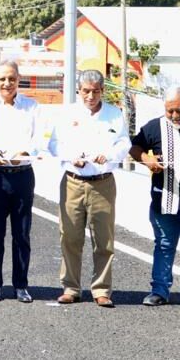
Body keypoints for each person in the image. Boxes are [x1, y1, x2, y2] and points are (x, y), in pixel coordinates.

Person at [48, 69, 130, 307]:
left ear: (102, 91)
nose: (91, 96)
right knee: (70, 237)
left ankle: (102, 289)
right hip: (73, 181)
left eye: (95, 91)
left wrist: (110, 155)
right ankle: (70, 287)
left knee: (103, 239)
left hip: (103, 183)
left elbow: (124, 142)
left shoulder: (114, 114)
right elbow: (54, 144)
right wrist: (71, 157)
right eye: (86, 91)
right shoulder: (67, 113)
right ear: (78, 90)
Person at [0, 60, 44, 303]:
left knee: (22, 234)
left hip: (22, 176)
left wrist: (25, 154)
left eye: (12, 78)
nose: (7, 83)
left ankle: (21, 286)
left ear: (19, 79)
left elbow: (39, 139)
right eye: (2, 79)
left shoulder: (32, 106)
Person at [128, 85, 180, 306]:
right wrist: (146, 159)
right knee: (165, 244)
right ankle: (159, 290)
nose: (175, 116)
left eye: (179, 110)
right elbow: (133, 146)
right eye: (170, 111)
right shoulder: (154, 127)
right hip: (165, 198)